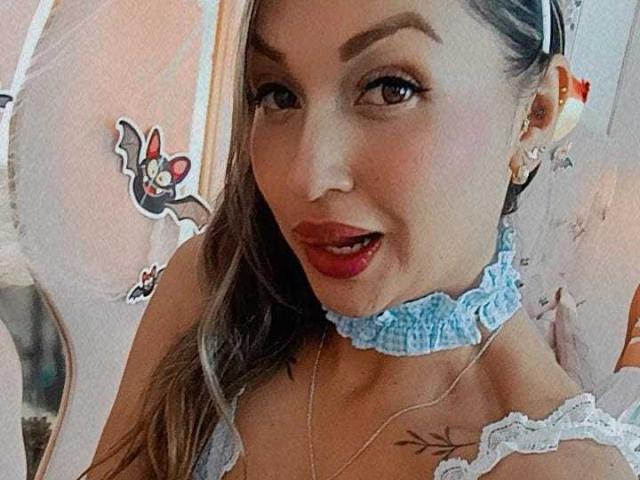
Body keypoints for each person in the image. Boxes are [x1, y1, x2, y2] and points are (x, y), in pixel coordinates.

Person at [81, 0, 640, 479]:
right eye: (277, 95)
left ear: (534, 115)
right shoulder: (216, 293)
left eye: (390, 89)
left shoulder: (561, 468)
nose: (306, 176)